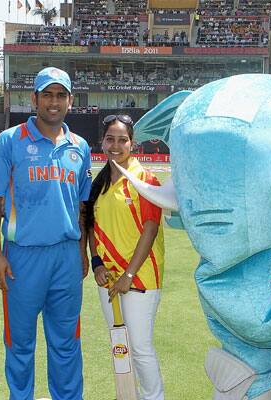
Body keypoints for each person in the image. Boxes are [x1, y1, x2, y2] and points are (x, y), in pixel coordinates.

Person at [0, 67, 92, 400]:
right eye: (47, 94)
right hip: (22, 258)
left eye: (61, 95)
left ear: (70, 101)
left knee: (67, 343)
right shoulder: (10, 141)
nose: (54, 102)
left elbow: (83, 208)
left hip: (66, 257)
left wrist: (82, 251)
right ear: (34, 99)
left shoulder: (80, 147)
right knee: (20, 344)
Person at [85, 114, 166, 400]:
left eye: (122, 140)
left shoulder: (146, 179)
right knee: (120, 345)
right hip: (108, 280)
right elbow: (91, 226)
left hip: (140, 278)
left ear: (132, 143)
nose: (116, 145)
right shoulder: (99, 183)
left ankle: (153, 397)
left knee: (141, 347)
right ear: (102, 142)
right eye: (110, 139)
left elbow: (151, 229)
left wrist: (128, 276)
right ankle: (127, 395)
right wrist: (96, 264)